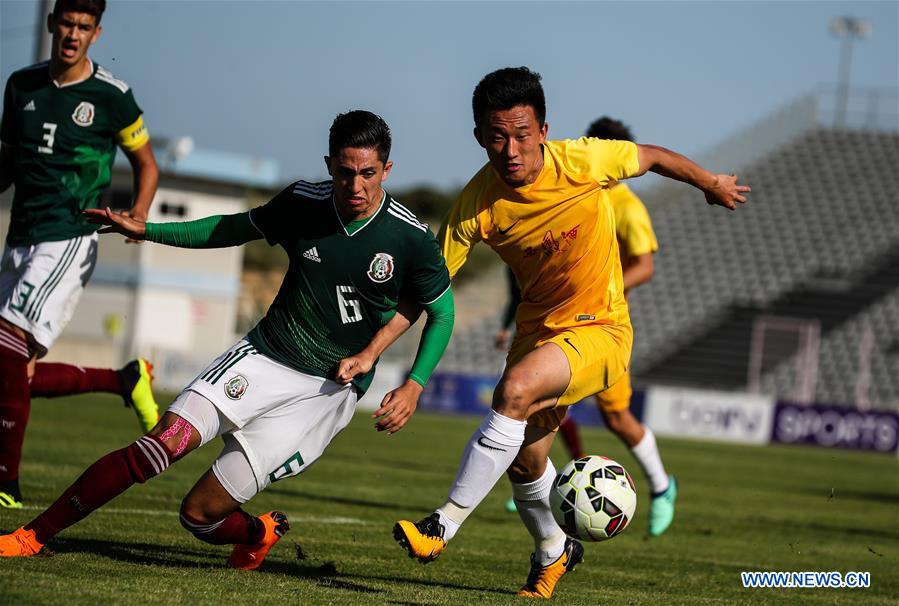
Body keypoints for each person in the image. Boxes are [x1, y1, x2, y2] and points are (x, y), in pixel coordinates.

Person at [344, 67, 750, 598]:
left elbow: (649, 155)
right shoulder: (476, 207)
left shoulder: (582, 159)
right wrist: (373, 351)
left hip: (602, 329)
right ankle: (554, 553)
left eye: (521, 134)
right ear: (478, 136)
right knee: (526, 461)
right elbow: (426, 293)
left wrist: (711, 182)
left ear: (542, 129)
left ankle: (441, 525)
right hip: (538, 335)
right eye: (496, 137)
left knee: (512, 393)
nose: (509, 149)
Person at [0, 110, 455, 569]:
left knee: (199, 515)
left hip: (325, 393)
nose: (355, 186)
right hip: (263, 356)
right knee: (161, 444)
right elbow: (230, 229)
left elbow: (441, 311)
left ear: (387, 170)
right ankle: (31, 536)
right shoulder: (302, 202)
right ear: (329, 164)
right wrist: (148, 230)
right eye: (344, 172)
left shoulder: (411, 237)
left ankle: (259, 531)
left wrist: (414, 382)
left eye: (368, 174)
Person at [0, 0, 161, 510]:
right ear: (52, 24)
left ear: (97, 33)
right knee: (11, 370)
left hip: (70, 236)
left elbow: (147, 164)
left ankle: (5, 482)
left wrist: (137, 213)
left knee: (8, 339)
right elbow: (8, 161)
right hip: (21, 236)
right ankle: (124, 380)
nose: (73, 34)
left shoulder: (111, 97)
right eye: (66, 23)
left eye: (84, 27)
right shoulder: (20, 85)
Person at [497, 117, 676, 537]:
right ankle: (540, 480)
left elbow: (645, 266)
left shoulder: (628, 206)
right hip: (559, 324)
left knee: (617, 418)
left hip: (602, 326)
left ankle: (663, 485)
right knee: (542, 405)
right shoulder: (574, 185)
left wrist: (602, 282)